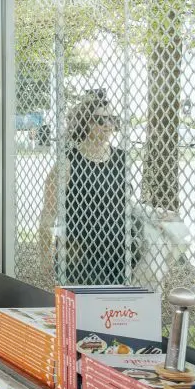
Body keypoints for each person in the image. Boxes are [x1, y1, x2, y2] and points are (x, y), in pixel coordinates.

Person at [39, 90, 136, 286]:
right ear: (85, 123)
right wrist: (45, 258)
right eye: (100, 120)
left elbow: (127, 204)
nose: (108, 125)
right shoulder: (67, 163)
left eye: (112, 119)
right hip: (79, 255)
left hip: (117, 254)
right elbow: (48, 214)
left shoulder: (122, 159)